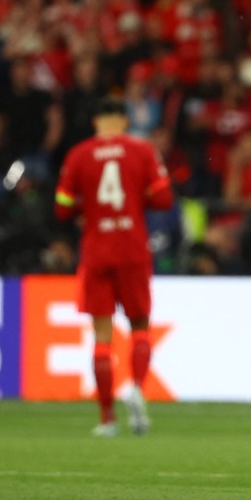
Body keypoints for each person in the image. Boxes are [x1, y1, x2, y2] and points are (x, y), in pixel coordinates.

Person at [54, 97, 173, 438]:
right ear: (123, 121)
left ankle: (107, 419)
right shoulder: (142, 150)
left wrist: (85, 206)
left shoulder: (78, 154)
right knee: (139, 325)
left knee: (102, 336)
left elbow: (62, 207)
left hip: (97, 250)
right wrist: (137, 199)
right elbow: (163, 199)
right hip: (132, 248)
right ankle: (135, 387)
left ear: (96, 122)